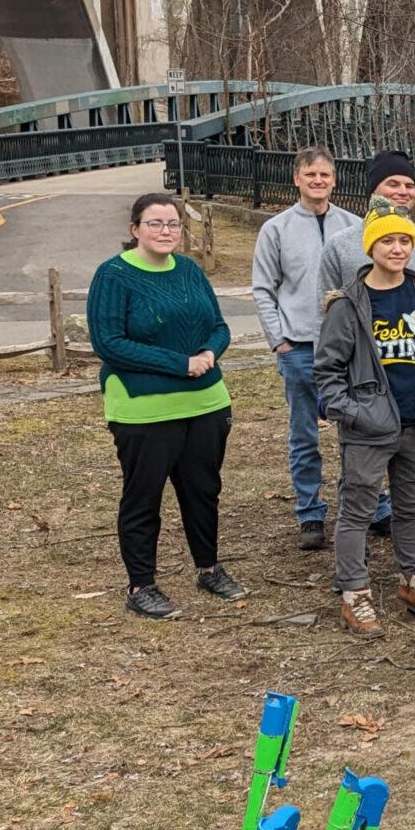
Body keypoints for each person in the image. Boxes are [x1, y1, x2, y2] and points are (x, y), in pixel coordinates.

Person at [88, 192, 241, 619]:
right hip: (144, 409)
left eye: (172, 224)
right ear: (135, 229)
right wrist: (180, 363)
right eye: (155, 223)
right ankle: (142, 584)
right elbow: (109, 343)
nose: (165, 231)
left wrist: (211, 352)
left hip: (205, 402)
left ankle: (209, 568)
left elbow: (219, 325)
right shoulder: (113, 276)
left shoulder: (190, 271)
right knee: (144, 496)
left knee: (203, 489)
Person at [315, 207, 415, 636]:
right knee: (357, 508)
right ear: (370, 247)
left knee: (412, 505)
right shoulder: (350, 304)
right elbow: (327, 369)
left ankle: (413, 580)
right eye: (387, 241)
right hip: (369, 425)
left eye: (404, 242)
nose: (397, 249)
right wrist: (351, 410)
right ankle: (354, 593)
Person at [251, 147, 360, 551]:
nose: (318, 181)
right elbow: (263, 287)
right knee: (304, 434)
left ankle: (366, 503)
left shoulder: (354, 226)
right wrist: (278, 339)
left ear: (335, 180)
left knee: (360, 430)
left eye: (325, 175)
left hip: (348, 347)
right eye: (311, 174)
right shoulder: (276, 229)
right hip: (299, 345)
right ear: (297, 178)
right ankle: (310, 511)